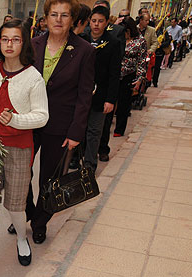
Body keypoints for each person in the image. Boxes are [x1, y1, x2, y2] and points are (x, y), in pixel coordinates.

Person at [0, 19, 49, 274]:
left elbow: (42, 116)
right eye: (4, 39)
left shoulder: (33, 77)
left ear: (24, 43)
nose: (9, 44)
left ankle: (21, 238)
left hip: (19, 148)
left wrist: (15, 119)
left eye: (15, 39)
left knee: (16, 204)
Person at [18, 0, 94, 244]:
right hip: (29, 121)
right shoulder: (33, 44)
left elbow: (84, 95)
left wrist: (76, 132)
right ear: (46, 18)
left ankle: (40, 222)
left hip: (60, 125)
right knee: (21, 174)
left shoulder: (84, 50)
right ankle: (27, 212)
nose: (58, 20)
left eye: (64, 15)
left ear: (72, 20)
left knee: (49, 179)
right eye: (54, 14)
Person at [83, 5, 120, 170]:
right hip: (81, 93)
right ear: (89, 21)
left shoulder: (113, 43)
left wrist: (111, 99)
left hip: (101, 94)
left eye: (100, 21)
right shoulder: (81, 39)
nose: (96, 24)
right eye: (94, 21)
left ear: (106, 23)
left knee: (94, 131)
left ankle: (90, 163)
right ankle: (76, 158)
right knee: (78, 128)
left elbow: (114, 74)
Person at [112, 17, 147, 138]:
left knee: (124, 104)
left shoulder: (140, 41)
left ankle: (119, 129)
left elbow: (142, 61)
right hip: (114, 74)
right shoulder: (116, 37)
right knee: (110, 102)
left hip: (129, 75)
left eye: (126, 31)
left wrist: (139, 79)